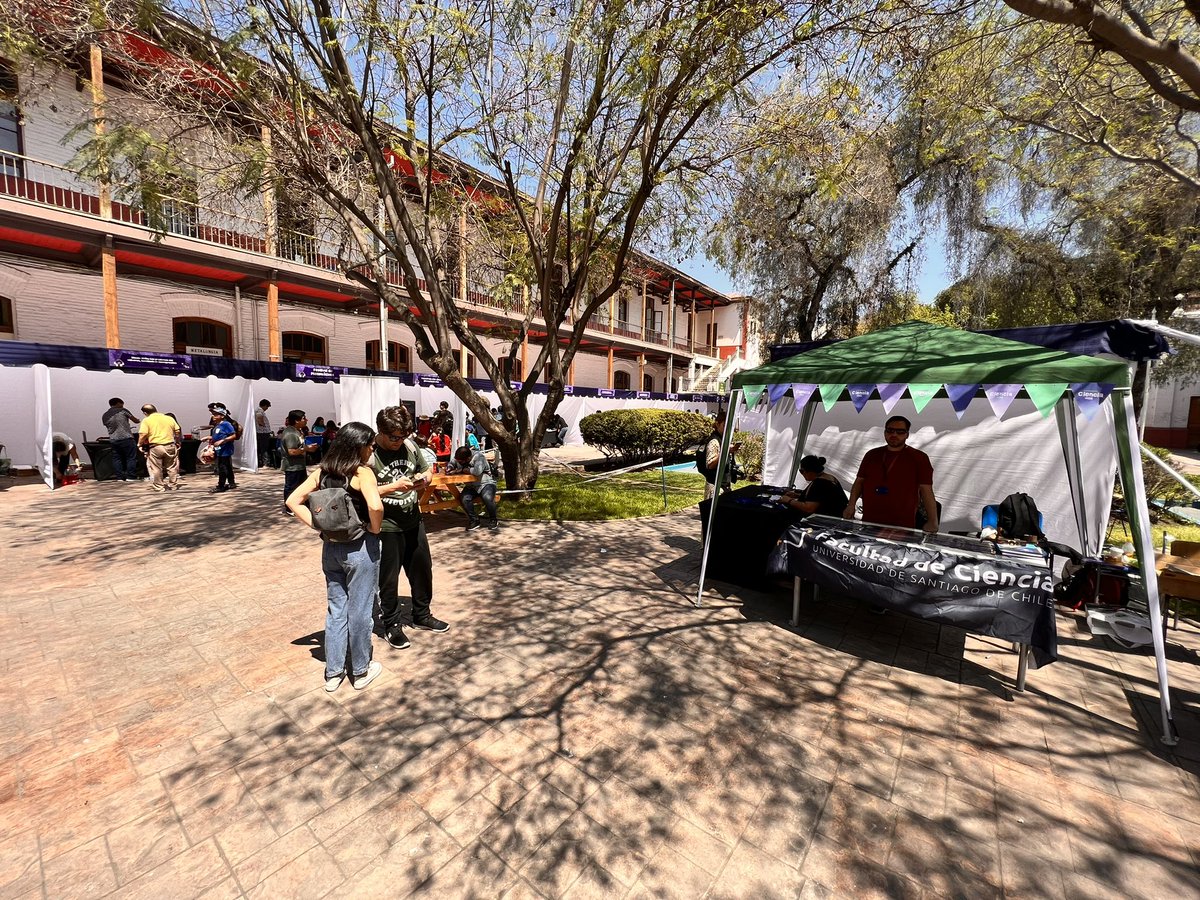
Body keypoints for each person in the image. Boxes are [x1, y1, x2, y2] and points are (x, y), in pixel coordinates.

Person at [286, 421, 385, 692]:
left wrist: (319, 526)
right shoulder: (361, 473)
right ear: (359, 446)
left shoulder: (322, 472)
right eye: (370, 445)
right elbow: (375, 505)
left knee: (336, 609)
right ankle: (361, 671)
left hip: (330, 549)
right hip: (360, 547)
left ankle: (333, 673)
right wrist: (374, 530)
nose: (372, 449)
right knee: (361, 611)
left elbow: (292, 501)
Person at [371, 404, 448, 650]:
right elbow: (357, 491)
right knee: (388, 578)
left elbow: (427, 472)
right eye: (394, 437)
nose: (399, 441)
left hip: (413, 521)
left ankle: (421, 615)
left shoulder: (410, 446)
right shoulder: (369, 454)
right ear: (380, 431)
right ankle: (392, 625)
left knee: (422, 570)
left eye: (403, 436)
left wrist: (422, 481)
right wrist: (392, 487)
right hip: (385, 526)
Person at [843, 415, 938, 532]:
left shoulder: (919, 458)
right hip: (870, 521)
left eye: (900, 432)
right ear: (884, 432)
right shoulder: (871, 455)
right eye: (890, 430)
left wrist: (933, 521)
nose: (894, 435)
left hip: (901, 525)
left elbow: (926, 491)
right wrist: (851, 505)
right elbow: (859, 482)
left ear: (907, 434)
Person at [448, 445, 498, 531]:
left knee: (487, 497)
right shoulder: (459, 458)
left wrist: (464, 470)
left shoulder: (479, 457)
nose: (459, 462)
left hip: (485, 483)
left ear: (468, 458)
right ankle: (474, 520)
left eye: (460, 461)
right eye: (458, 461)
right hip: (471, 486)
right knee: (464, 498)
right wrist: (450, 467)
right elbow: (452, 462)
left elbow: (477, 472)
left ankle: (493, 519)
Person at [781, 455, 847, 517]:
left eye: (802, 471)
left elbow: (809, 508)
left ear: (810, 471)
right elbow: (820, 498)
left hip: (825, 521)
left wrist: (789, 500)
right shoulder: (829, 478)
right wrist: (798, 495)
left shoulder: (820, 483)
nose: (802, 474)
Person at [138, 403, 182, 492]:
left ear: (145, 412)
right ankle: (173, 485)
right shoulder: (169, 418)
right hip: (170, 445)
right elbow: (177, 431)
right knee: (172, 466)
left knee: (156, 468)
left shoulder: (147, 420)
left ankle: (159, 487)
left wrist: (139, 444)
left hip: (155, 447)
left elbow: (143, 434)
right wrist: (177, 441)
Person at [698, 410, 740, 500]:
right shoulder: (714, 441)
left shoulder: (723, 439)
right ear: (717, 424)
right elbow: (710, 464)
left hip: (725, 486)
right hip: (715, 488)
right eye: (725, 425)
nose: (727, 429)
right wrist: (726, 451)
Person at [101, 397, 140, 481]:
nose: (122, 406)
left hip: (113, 439)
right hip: (126, 437)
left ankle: (119, 477)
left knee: (117, 458)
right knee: (131, 457)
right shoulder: (122, 410)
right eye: (122, 404)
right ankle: (131, 476)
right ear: (118, 403)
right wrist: (139, 420)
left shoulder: (105, 415)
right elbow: (135, 420)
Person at [280, 410, 309, 516]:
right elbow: (292, 451)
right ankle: (289, 508)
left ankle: (299, 504)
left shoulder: (297, 431)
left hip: (300, 465)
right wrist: (307, 449)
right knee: (291, 487)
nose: (306, 420)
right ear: (296, 421)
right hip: (292, 466)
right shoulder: (290, 433)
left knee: (301, 486)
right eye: (303, 418)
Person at [207, 406, 237, 492]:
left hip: (225, 449)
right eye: (213, 414)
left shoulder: (226, 424)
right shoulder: (217, 426)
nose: (214, 416)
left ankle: (221, 485)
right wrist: (209, 438)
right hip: (219, 450)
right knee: (227, 466)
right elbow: (217, 436)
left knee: (222, 467)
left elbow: (233, 435)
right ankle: (232, 483)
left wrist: (222, 441)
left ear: (222, 416)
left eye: (216, 415)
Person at [254, 399, 275, 468]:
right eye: (267, 407)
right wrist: (263, 425)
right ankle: (266, 463)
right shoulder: (259, 410)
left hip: (261, 432)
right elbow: (259, 418)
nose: (267, 408)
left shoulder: (258, 410)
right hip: (263, 432)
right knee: (264, 448)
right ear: (265, 405)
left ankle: (262, 462)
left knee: (262, 448)